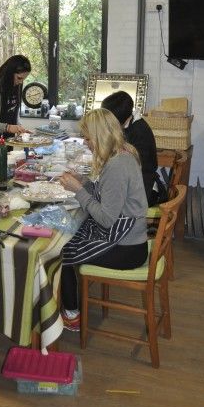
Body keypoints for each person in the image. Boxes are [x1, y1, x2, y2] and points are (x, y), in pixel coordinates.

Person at [58, 108, 148, 331]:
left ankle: (72, 315)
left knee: (61, 252)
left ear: (100, 136)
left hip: (128, 248)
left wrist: (78, 190)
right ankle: (68, 305)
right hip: (129, 237)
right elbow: (108, 196)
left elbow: (106, 219)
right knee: (70, 236)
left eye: (88, 138)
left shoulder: (117, 166)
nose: (86, 143)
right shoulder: (123, 153)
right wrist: (85, 183)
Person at [101, 90, 159, 206]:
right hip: (133, 184)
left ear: (117, 120)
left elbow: (130, 169)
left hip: (143, 191)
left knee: (99, 202)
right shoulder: (129, 124)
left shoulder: (139, 131)